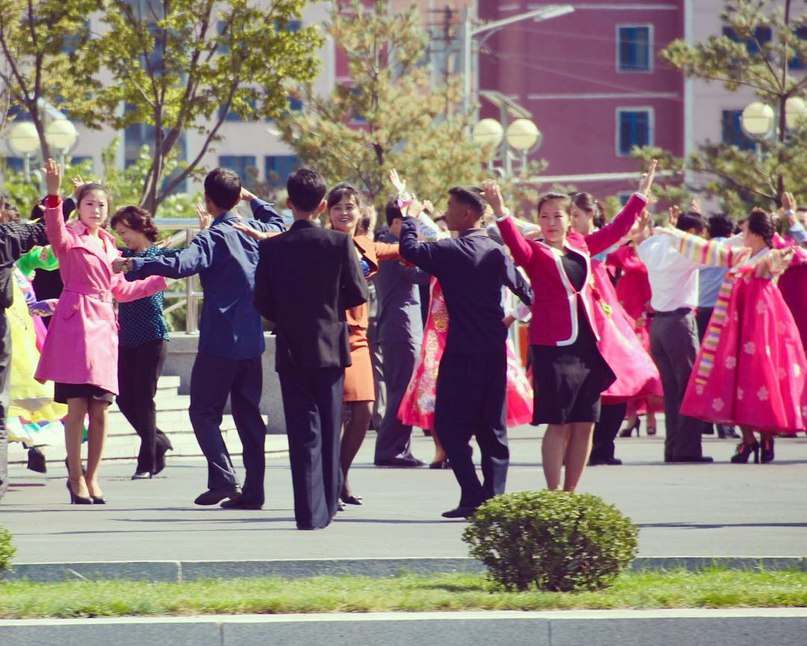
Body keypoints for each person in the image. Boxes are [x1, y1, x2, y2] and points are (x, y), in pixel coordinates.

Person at [113, 168, 285, 509]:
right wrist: (255, 200)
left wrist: (134, 265)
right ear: (238, 198)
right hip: (251, 341)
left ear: (208, 201)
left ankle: (223, 478)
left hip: (220, 342)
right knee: (248, 416)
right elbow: (279, 223)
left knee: (203, 413)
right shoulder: (256, 231)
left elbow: (181, 264)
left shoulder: (212, 237)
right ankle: (254, 492)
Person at [490, 161, 655, 491]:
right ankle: (554, 495)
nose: (551, 223)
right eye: (545, 216)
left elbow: (618, 229)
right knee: (559, 424)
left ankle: (571, 494)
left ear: (570, 219)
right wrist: (499, 211)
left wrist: (641, 195)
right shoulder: (533, 253)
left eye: (558, 216)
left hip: (587, 347)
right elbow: (514, 242)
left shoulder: (581, 245)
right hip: (552, 347)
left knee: (585, 424)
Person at [35, 159, 168, 505]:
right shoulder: (69, 237)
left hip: (104, 327)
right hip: (75, 325)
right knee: (76, 406)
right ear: (78, 209)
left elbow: (122, 291)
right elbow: (54, 232)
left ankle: (93, 477)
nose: (96, 210)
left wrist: (163, 277)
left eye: (101, 205)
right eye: (89, 204)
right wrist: (53, 194)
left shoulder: (111, 245)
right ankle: (75, 477)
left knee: (101, 409)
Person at [400, 184, 533, 519]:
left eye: (451, 206)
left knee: (446, 426)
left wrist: (411, 217)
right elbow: (527, 291)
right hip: (493, 350)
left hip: (461, 353)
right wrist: (517, 317)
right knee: (493, 429)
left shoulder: (452, 250)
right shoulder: (495, 251)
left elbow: (410, 248)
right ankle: (493, 500)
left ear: (468, 213)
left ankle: (474, 495)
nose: (446, 211)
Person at [250, 168, 367, 530]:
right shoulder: (339, 244)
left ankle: (306, 511)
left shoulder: (272, 247)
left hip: (292, 348)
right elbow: (358, 293)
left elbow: (262, 302)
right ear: (321, 205)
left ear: (289, 204)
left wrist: (288, 316)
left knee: (302, 433)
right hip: (331, 347)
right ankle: (328, 506)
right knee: (331, 428)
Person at [659, 209, 806, 463]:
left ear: (758, 235)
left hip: (762, 325)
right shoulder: (742, 254)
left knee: (761, 378)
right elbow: (709, 251)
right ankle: (749, 440)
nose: (742, 235)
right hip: (738, 325)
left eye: (746, 231)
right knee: (737, 380)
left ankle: (765, 436)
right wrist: (674, 235)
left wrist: (786, 247)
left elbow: (779, 260)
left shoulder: (772, 255)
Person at [568, 192, 662, 467]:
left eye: (575, 215)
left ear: (590, 215)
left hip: (605, 311)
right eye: (569, 215)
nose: (572, 221)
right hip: (583, 310)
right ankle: (588, 447)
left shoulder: (596, 240)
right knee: (592, 383)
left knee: (618, 375)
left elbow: (619, 232)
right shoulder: (570, 242)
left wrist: (638, 214)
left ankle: (603, 446)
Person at [324, 182, 399, 505]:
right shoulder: (321, 242)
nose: (344, 212)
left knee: (365, 408)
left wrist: (412, 218)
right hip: (327, 335)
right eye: (338, 207)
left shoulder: (367, 244)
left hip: (358, 337)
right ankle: (332, 481)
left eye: (350, 207)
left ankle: (340, 474)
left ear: (360, 212)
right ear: (327, 212)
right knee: (336, 411)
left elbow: (405, 250)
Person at [637, 208, 713, 463]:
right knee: (689, 389)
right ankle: (687, 449)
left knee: (671, 392)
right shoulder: (684, 253)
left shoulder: (656, 245)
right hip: (680, 323)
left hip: (658, 326)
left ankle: (673, 447)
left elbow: (641, 242)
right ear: (691, 233)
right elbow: (713, 253)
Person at [110, 206, 179, 479]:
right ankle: (158, 440)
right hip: (126, 336)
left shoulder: (159, 255)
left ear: (138, 226)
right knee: (125, 399)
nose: (122, 237)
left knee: (144, 398)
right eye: (118, 233)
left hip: (152, 334)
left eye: (124, 231)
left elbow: (184, 264)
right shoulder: (121, 257)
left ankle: (146, 461)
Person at [0, 193, 51, 502]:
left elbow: (45, 247)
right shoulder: (8, 237)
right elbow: (42, 229)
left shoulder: (12, 240)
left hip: (19, 329)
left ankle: (33, 447)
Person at [372, 198, 431, 468]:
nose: (413, 229)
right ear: (397, 222)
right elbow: (421, 274)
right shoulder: (395, 249)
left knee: (402, 390)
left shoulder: (389, 244)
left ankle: (398, 448)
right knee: (400, 392)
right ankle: (389, 450)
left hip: (400, 327)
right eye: (409, 223)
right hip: (401, 328)